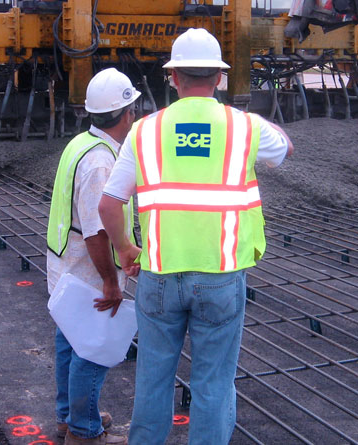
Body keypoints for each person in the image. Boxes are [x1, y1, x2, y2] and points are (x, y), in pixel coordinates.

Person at [98, 28, 294, 445]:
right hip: (221, 277)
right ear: (220, 78)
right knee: (213, 385)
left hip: (159, 275)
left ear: (173, 77)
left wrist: (127, 249)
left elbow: (109, 205)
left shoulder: (145, 130)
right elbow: (285, 150)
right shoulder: (244, 127)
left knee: (152, 382)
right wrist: (250, 120)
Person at [46, 67, 141, 445]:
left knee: (68, 341)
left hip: (65, 265)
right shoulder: (102, 162)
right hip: (87, 271)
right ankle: (85, 432)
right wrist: (110, 281)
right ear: (128, 114)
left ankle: (69, 417)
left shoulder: (80, 143)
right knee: (92, 349)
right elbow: (96, 230)